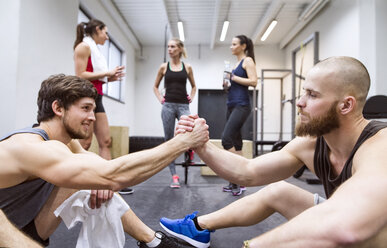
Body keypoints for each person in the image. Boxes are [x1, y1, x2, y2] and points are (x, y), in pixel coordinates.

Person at [159, 56, 387, 248]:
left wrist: (253, 246)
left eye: (313, 95)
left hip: (370, 233)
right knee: (279, 191)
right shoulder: (313, 143)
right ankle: (197, 228)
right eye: (303, 93)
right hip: (347, 223)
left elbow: (347, 226)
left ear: (345, 106)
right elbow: (247, 171)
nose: (300, 102)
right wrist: (202, 145)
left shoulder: (379, 145)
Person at [0, 74, 209, 247]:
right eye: (85, 108)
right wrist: (183, 142)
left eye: (93, 109)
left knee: (91, 183)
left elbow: (103, 169)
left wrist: (100, 180)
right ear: (58, 108)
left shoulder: (62, 142)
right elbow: (114, 175)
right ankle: (154, 242)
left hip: (25, 225)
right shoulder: (31, 147)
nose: (92, 117)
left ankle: (153, 242)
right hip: (6, 230)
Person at [73, 19, 132, 195]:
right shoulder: (83, 47)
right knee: (85, 142)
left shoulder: (95, 50)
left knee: (105, 141)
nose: (107, 37)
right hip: (85, 97)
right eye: (105, 32)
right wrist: (107, 73)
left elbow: (93, 75)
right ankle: (74, 182)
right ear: (97, 30)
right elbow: (80, 74)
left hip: (97, 97)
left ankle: (108, 183)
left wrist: (108, 78)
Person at [153, 38, 197, 188]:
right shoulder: (164, 67)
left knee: (189, 132)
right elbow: (155, 87)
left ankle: (189, 152)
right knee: (169, 140)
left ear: (179, 49)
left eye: (172, 47)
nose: (170, 49)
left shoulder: (188, 67)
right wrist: (161, 99)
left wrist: (191, 95)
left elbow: (194, 86)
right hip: (168, 106)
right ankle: (174, 175)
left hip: (184, 105)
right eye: (168, 47)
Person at [221, 35, 257, 196]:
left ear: (243, 46)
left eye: (234, 44)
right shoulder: (235, 64)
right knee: (236, 142)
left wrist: (234, 77)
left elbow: (254, 81)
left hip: (242, 105)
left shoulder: (247, 61)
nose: (231, 46)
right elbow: (235, 84)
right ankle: (238, 181)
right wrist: (227, 85)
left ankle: (236, 178)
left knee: (226, 139)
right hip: (231, 104)